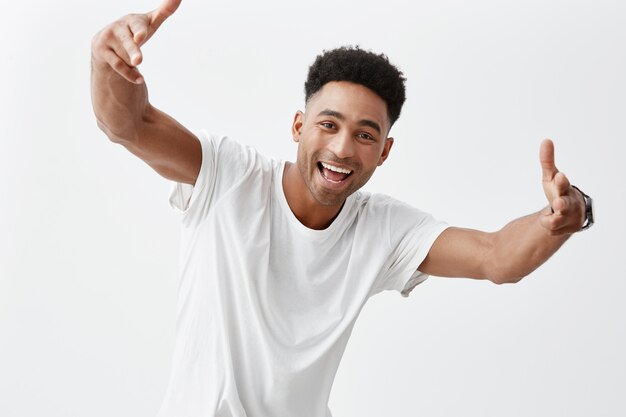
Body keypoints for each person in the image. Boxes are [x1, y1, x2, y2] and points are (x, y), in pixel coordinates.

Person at [90, 1, 594, 416]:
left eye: (365, 134)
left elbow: (494, 256)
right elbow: (129, 125)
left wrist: (564, 217)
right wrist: (106, 58)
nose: (342, 148)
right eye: (328, 125)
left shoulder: (382, 229)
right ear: (298, 126)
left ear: (384, 152)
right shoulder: (231, 176)